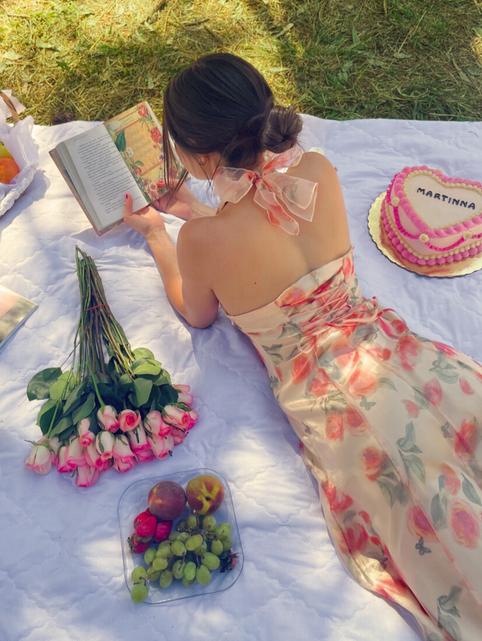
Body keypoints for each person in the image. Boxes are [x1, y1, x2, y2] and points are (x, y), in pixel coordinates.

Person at [123, 52, 482, 641]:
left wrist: (163, 235)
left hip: (331, 395)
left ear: (198, 155)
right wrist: (202, 214)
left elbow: (196, 312)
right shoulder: (315, 170)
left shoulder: (203, 242)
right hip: (396, 349)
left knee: (431, 523)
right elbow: (266, 222)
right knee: (458, 439)